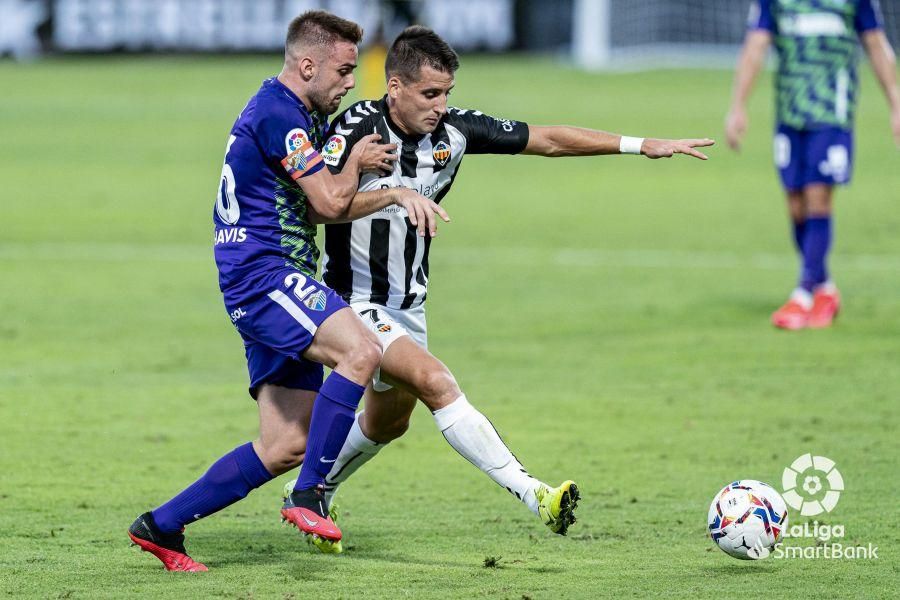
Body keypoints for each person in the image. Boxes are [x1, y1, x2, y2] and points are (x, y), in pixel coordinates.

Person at [281, 25, 714, 552]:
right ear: (394, 86)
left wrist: (639, 145)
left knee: (388, 422)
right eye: (429, 94)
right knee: (438, 383)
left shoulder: (455, 133)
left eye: (446, 95)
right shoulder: (355, 129)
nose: (440, 106)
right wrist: (388, 193)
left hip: (410, 306)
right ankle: (537, 495)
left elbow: (548, 140)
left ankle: (308, 491)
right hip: (355, 302)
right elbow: (316, 207)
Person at [127, 11, 446, 571]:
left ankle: (161, 526)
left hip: (274, 278)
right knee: (361, 351)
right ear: (307, 64)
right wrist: (356, 166)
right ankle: (309, 495)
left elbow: (330, 202)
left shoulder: (295, 113)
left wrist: (392, 192)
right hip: (265, 274)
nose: (351, 82)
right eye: (344, 70)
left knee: (285, 446)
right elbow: (328, 202)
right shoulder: (281, 114)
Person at [726, 0, 900, 330]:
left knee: (818, 197)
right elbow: (755, 46)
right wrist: (737, 106)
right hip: (790, 113)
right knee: (796, 205)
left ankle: (803, 293)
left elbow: (876, 45)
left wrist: (896, 102)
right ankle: (825, 288)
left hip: (832, 114)